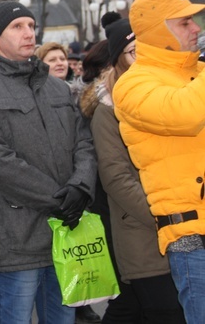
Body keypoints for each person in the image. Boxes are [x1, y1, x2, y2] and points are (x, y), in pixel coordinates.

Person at [0, 1, 96, 324]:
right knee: (16, 318)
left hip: (66, 231)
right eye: (17, 27)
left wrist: (81, 187)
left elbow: (84, 144)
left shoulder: (57, 88)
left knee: (62, 318)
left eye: (31, 26)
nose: (28, 33)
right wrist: (58, 199)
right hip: (17, 237)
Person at [81, 17, 185, 323]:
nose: (142, 57)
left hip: (184, 226)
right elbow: (116, 178)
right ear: (117, 60)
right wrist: (163, 216)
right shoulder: (107, 109)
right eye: (132, 51)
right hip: (144, 231)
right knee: (162, 311)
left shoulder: (168, 95)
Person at [112, 0, 205, 322]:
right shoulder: (133, 85)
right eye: (184, 22)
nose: (196, 28)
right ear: (157, 30)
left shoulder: (196, 74)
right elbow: (186, 114)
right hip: (194, 238)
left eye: (194, 20)